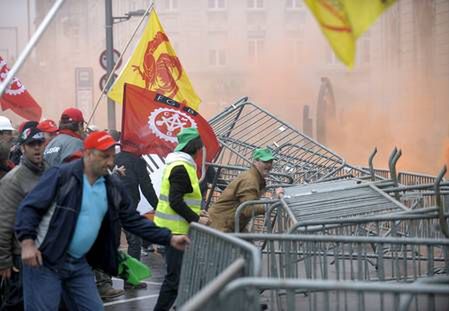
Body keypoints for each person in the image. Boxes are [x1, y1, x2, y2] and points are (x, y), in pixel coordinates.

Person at [15, 131, 190, 310]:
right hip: (47, 260)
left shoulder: (112, 187)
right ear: (88, 154)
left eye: (112, 157)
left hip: (79, 262)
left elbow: (132, 220)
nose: (110, 162)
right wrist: (27, 243)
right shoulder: (62, 176)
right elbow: (29, 208)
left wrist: (169, 238)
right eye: (105, 156)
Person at [153, 127, 210, 311]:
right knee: (174, 280)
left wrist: (196, 213)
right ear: (195, 147)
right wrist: (196, 219)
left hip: (175, 229)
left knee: (184, 278)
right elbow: (175, 201)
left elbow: (181, 199)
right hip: (175, 231)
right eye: (200, 147)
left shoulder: (179, 164)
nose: (201, 151)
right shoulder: (181, 167)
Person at [0, 126, 47, 310]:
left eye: (40, 143)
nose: (37, 148)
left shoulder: (51, 171)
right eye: (31, 144)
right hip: (21, 257)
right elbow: (4, 223)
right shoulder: (13, 180)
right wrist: (4, 261)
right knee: (17, 304)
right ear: (22, 148)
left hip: (47, 252)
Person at [208, 148, 284, 233]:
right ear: (255, 162)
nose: (269, 165)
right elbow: (248, 208)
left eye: (271, 162)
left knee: (248, 243)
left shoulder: (255, 177)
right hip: (221, 226)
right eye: (265, 162)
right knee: (246, 244)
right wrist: (271, 203)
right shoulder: (250, 180)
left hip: (228, 224)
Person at [115, 145, 159, 289]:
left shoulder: (116, 157)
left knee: (112, 243)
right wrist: (157, 205)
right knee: (134, 241)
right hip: (126, 206)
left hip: (111, 204)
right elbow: (146, 185)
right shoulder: (137, 161)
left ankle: (103, 284)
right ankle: (131, 279)